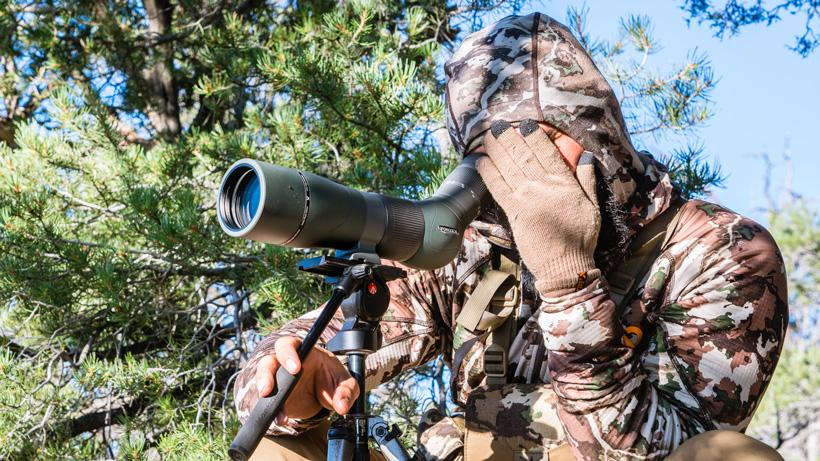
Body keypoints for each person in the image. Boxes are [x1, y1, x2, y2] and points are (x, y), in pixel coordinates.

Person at [233, 13, 788, 461]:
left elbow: (657, 450)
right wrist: (291, 381)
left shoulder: (725, 251)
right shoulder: (473, 245)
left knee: (732, 457)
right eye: (493, 160)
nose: (521, 180)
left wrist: (568, 284)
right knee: (279, 447)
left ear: (596, 134)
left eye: (537, 147)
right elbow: (299, 355)